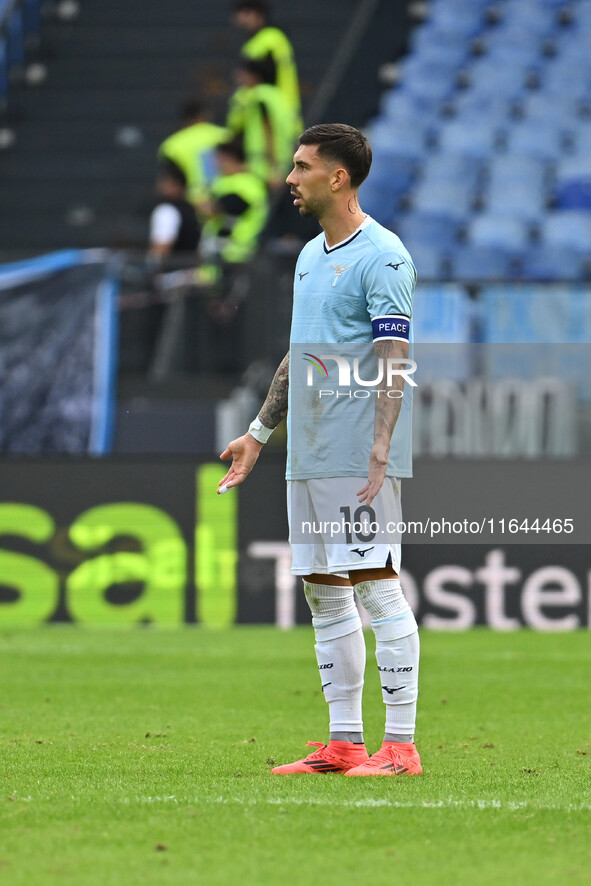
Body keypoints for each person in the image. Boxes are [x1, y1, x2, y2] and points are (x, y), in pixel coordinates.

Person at [218, 123, 422, 777]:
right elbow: (297, 354)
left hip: (357, 449)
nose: (289, 178)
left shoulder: (383, 256)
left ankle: (400, 746)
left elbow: (394, 358)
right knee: (322, 589)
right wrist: (257, 433)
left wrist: (381, 446)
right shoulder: (311, 254)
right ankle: (343, 743)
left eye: (302, 167)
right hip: (306, 449)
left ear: (337, 176)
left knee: (374, 585)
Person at [232, 0, 302, 139]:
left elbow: (266, 78)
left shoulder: (267, 40)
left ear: (258, 14)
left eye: (245, 13)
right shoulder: (270, 39)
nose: (239, 18)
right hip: (279, 117)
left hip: (270, 119)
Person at [227, 58, 294, 190]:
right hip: (277, 163)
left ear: (254, 76)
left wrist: (273, 170)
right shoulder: (276, 95)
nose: (239, 78)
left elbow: (268, 130)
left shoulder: (258, 96)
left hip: (264, 167)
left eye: (243, 74)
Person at [201, 137, 269, 264]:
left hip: (237, 254)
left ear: (229, 158)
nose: (215, 163)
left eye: (218, 158)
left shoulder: (248, 183)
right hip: (220, 253)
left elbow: (218, 209)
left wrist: (205, 205)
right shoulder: (223, 181)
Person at [158, 101, 229, 211]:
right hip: (224, 198)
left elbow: (172, 181)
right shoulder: (225, 135)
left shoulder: (172, 144)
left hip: (190, 203)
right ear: (206, 115)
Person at [148, 161, 201, 262]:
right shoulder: (192, 209)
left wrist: (150, 268)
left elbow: (161, 247)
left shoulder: (167, 210)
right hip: (192, 272)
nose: (160, 186)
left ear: (175, 184)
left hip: (171, 274)